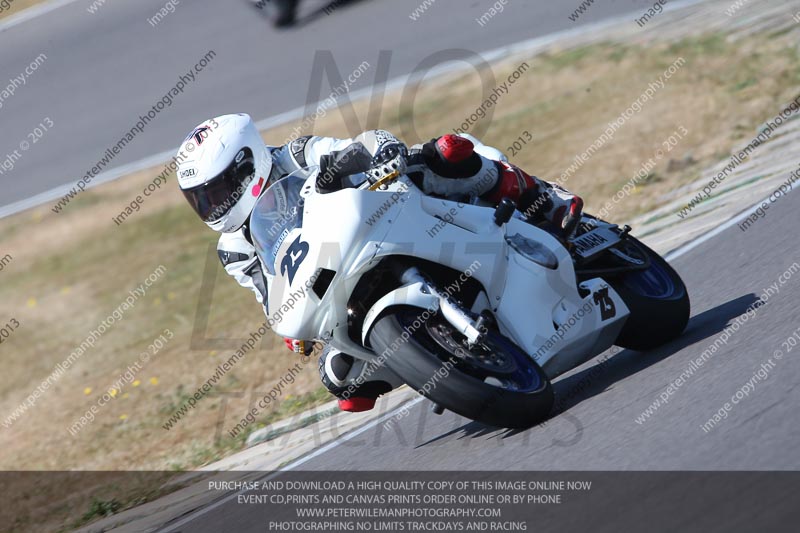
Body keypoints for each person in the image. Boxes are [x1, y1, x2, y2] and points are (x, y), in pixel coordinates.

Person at [177, 113, 583, 413]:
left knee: (443, 156)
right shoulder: (234, 248)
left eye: (219, 191)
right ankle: (437, 360)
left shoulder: (295, 155)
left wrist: (383, 154)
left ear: (249, 164)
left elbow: (358, 147)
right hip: (336, 274)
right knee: (339, 378)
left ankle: (545, 198)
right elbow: (267, 294)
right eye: (203, 199)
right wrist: (290, 330)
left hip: (385, 209)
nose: (214, 206)